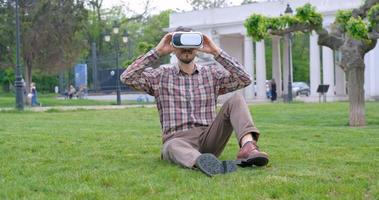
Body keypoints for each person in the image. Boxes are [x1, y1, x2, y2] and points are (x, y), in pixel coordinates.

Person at [120, 27, 269, 177]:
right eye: (181, 43)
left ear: (198, 47)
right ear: (173, 47)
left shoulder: (212, 74)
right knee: (171, 146)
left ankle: (248, 147)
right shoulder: (159, 76)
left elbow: (245, 79)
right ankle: (203, 162)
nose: (187, 48)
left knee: (236, 99)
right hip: (177, 139)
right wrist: (157, 52)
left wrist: (216, 52)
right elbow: (127, 77)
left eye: (191, 43)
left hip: (209, 137)